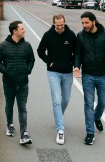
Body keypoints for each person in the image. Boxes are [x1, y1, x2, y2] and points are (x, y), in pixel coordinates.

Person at [73, 11, 105, 145]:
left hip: (103, 75)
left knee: (103, 102)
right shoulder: (80, 36)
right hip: (87, 75)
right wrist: (76, 66)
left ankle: (97, 117)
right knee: (88, 104)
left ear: (94, 21)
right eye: (82, 23)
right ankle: (90, 133)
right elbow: (78, 54)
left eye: (86, 22)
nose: (84, 25)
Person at [0, 20, 36, 145]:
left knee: (22, 107)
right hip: (9, 82)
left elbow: (31, 60)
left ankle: (24, 133)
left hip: (23, 82)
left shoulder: (27, 45)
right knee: (9, 105)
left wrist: (28, 70)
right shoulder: (3, 46)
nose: (24, 30)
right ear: (15, 31)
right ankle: (10, 125)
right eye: (22, 29)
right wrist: (6, 72)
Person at [37, 14, 76, 145]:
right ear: (53, 24)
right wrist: (49, 61)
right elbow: (40, 50)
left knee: (65, 99)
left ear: (64, 23)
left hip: (67, 72)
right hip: (53, 72)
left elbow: (76, 52)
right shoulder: (48, 35)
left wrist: (74, 65)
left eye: (62, 25)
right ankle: (60, 129)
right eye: (57, 25)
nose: (60, 27)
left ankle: (58, 116)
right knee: (57, 100)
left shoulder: (71, 35)